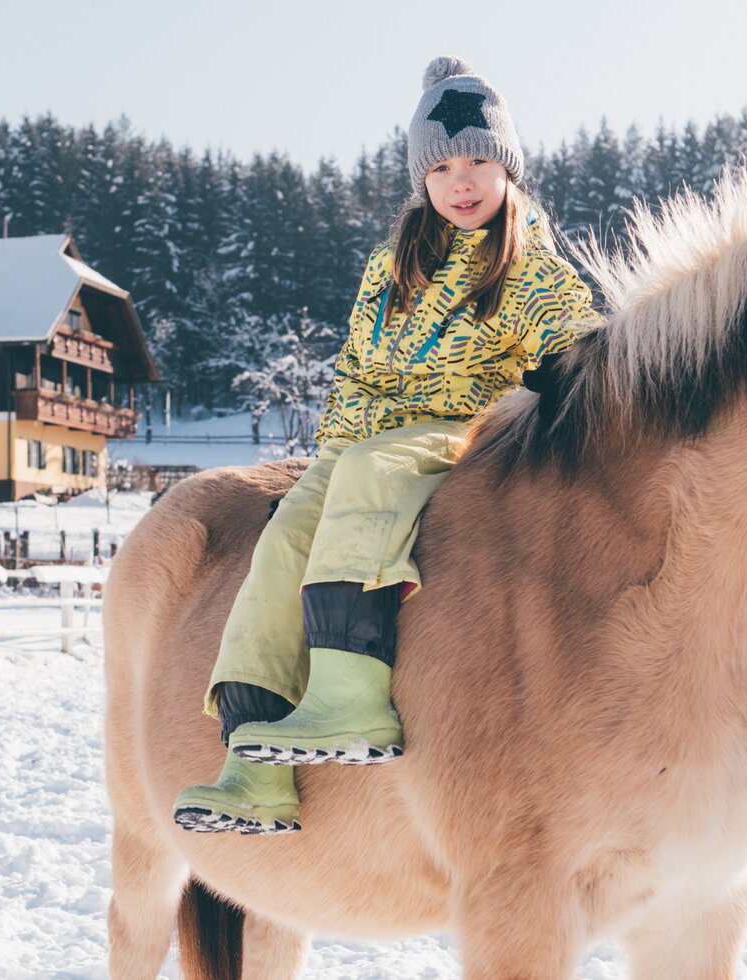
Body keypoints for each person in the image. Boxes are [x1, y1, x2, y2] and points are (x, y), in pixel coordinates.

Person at [173, 56, 600, 835]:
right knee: (285, 537)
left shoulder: (533, 271)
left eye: (478, 159)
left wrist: (571, 381)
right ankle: (253, 761)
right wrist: (320, 468)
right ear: (421, 179)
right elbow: (356, 374)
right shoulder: (394, 263)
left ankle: (351, 693)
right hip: (362, 437)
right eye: (440, 165)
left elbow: (581, 356)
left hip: (458, 432)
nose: (461, 180)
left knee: (370, 472)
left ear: (508, 166)